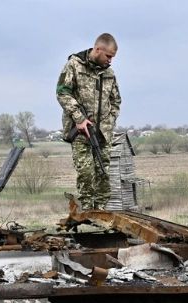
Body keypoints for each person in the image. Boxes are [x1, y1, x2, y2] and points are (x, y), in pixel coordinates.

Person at [56, 33, 121, 209]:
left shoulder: (109, 73)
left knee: (103, 172)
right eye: (108, 56)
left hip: (102, 134)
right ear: (98, 49)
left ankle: (101, 211)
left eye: (112, 57)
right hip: (80, 133)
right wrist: (79, 118)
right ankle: (87, 208)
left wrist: (110, 122)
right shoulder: (74, 65)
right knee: (85, 173)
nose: (110, 61)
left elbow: (116, 101)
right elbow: (62, 92)